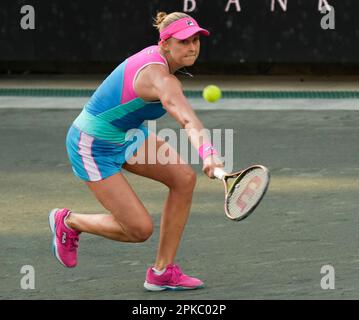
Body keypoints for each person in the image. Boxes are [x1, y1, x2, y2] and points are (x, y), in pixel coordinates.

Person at [49, 11, 224, 291]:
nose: (192, 47)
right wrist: (210, 154)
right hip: (92, 146)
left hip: (128, 136)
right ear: (164, 43)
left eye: (195, 40)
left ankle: (162, 271)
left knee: (184, 179)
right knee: (139, 230)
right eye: (183, 42)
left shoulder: (164, 64)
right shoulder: (161, 78)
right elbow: (186, 119)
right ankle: (69, 221)